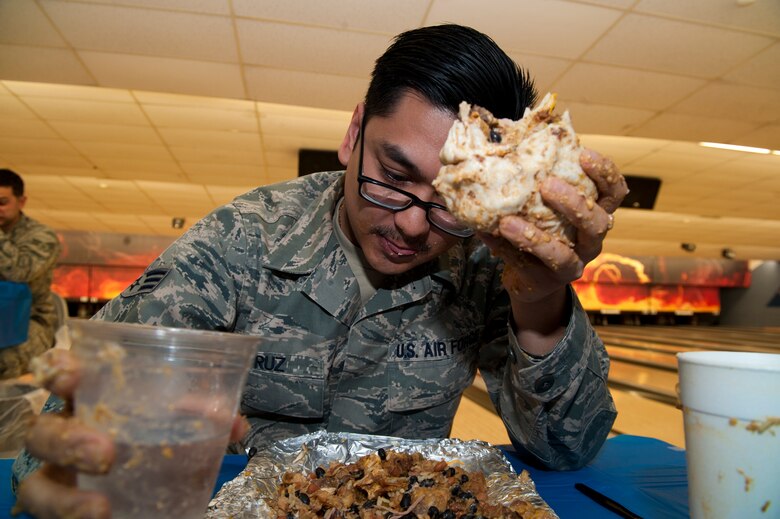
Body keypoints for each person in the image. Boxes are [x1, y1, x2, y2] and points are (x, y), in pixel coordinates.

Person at [13, 24, 628, 518]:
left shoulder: (487, 260)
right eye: (393, 177)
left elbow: (567, 448)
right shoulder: (241, 239)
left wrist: (541, 303)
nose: (415, 226)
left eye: (451, 197)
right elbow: (75, 436)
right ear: (354, 132)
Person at [0, 168, 61, 380]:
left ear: (21, 201)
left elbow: (17, 272)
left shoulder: (41, 237)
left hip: (30, 321)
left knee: (5, 358)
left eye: (2, 202)